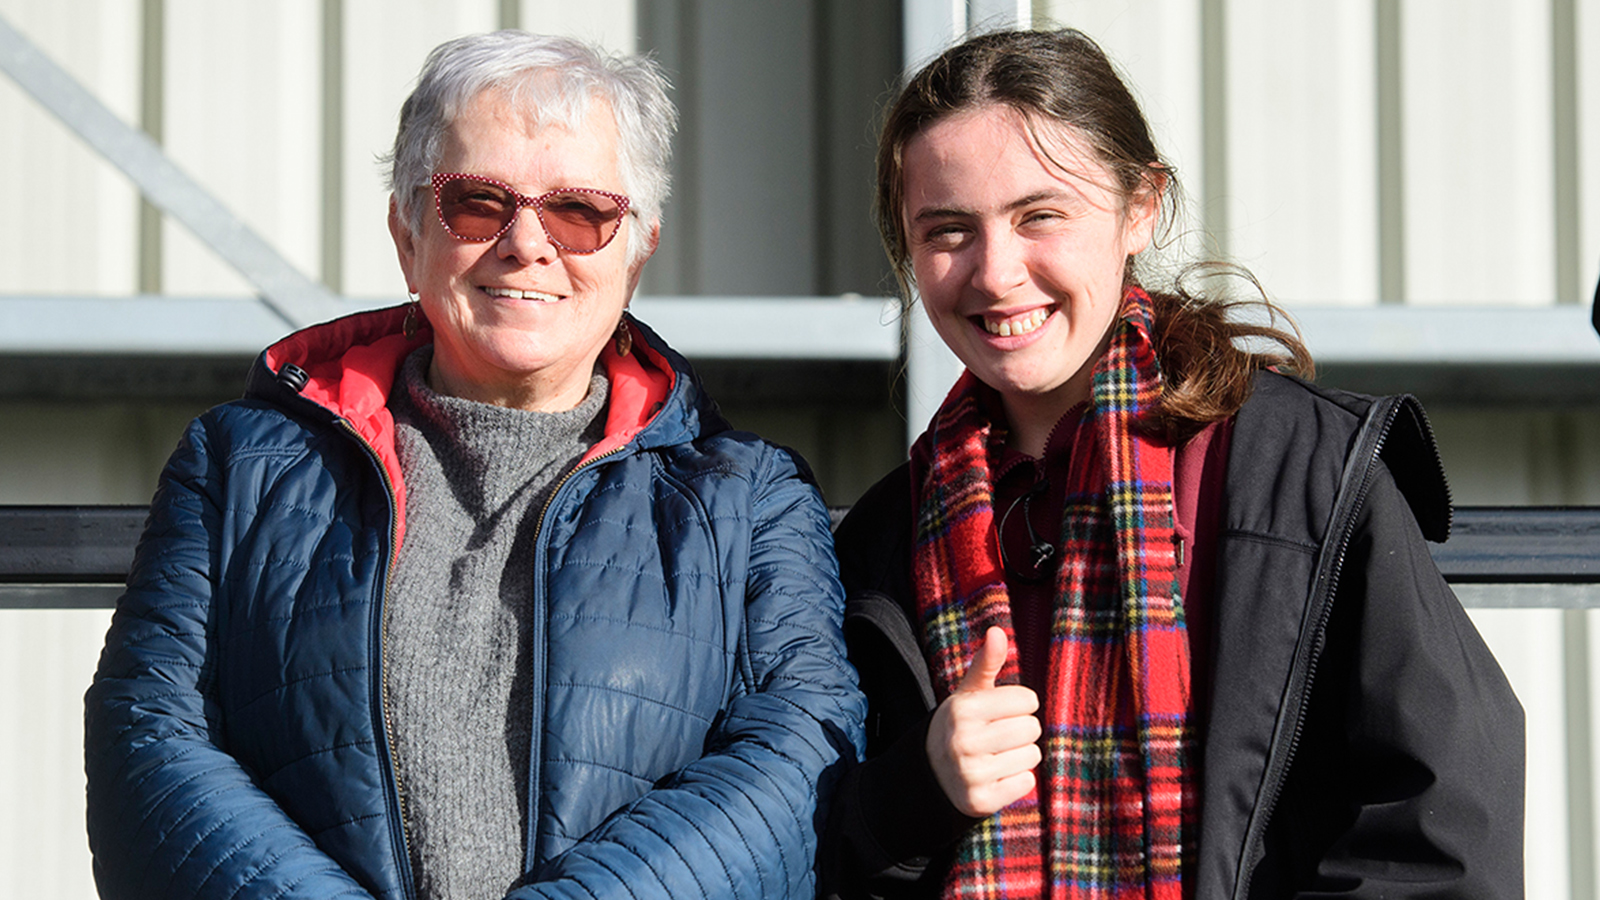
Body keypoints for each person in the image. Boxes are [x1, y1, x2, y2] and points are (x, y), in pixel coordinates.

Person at [85, 31, 863, 900]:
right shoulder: (237, 468)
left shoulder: (750, 500)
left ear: (637, 249)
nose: (527, 243)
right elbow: (149, 734)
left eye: (580, 211)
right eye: (478, 202)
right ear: (407, 233)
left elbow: (797, 755)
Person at [822, 28, 1523, 900]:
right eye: (948, 230)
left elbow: (1442, 825)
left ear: (1140, 206)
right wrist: (913, 794)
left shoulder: (1298, 472)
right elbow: (812, 846)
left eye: (1041, 215)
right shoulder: (884, 538)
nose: (995, 273)